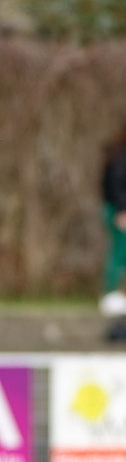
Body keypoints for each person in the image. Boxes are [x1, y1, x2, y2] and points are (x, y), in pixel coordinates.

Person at [100, 126, 126, 336]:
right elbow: (116, 184)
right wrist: (121, 209)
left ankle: (115, 294)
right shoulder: (121, 155)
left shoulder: (117, 152)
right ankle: (111, 293)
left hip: (117, 208)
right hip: (118, 210)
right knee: (119, 251)